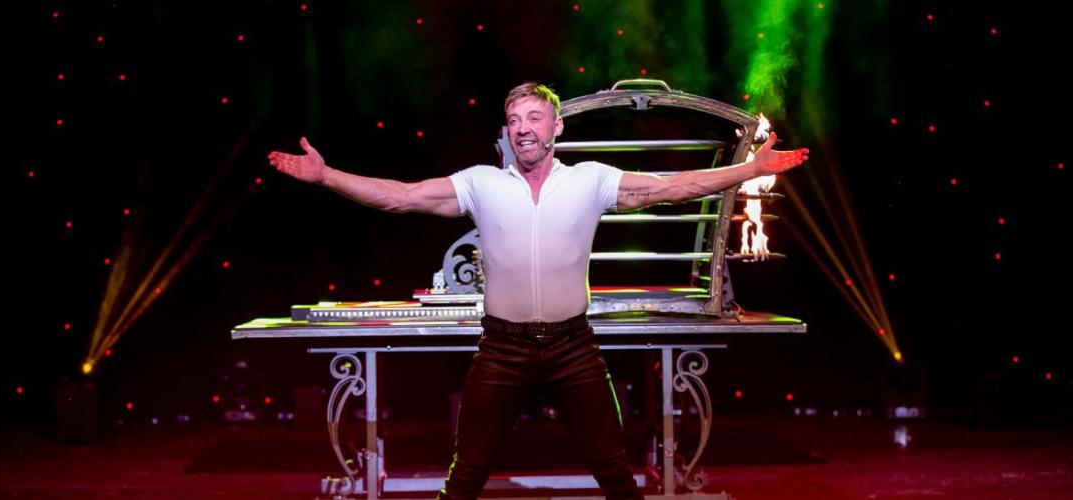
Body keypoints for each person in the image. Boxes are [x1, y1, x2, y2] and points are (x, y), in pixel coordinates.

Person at [268, 82, 808, 500]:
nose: (523, 128)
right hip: (502, 349)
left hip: (574, 347)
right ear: (506, 133)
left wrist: (750, 169)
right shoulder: (481, 183)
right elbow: (401, 196)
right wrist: (326, 176)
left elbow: (674, 187)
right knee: (466, 474)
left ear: (556, 126)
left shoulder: (590, 179)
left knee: (615, 473)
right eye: (514, 120)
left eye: (533, 117)